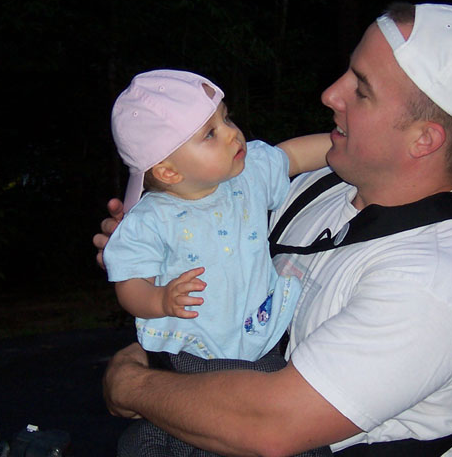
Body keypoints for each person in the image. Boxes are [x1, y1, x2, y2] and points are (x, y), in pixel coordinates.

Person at [97, 2, 452, 456]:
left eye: (361, 89)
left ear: (424, 139)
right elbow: (222, 253)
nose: (330, 94)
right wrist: (155, 248)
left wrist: (133, 384)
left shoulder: (436, 284)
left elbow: (269, 427)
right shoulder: (321, 188)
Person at [102, 69, 332, 455]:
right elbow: (128, 283)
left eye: (226, 119)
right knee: (187, 426)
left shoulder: (248, 175)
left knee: (272, 418)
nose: (232, 134)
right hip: (193, 350)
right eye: (210, 133)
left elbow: (291, 156)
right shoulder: (150, 219)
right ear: (168, 170)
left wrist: (346, 142)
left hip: (260, 337)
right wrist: (159, 300)